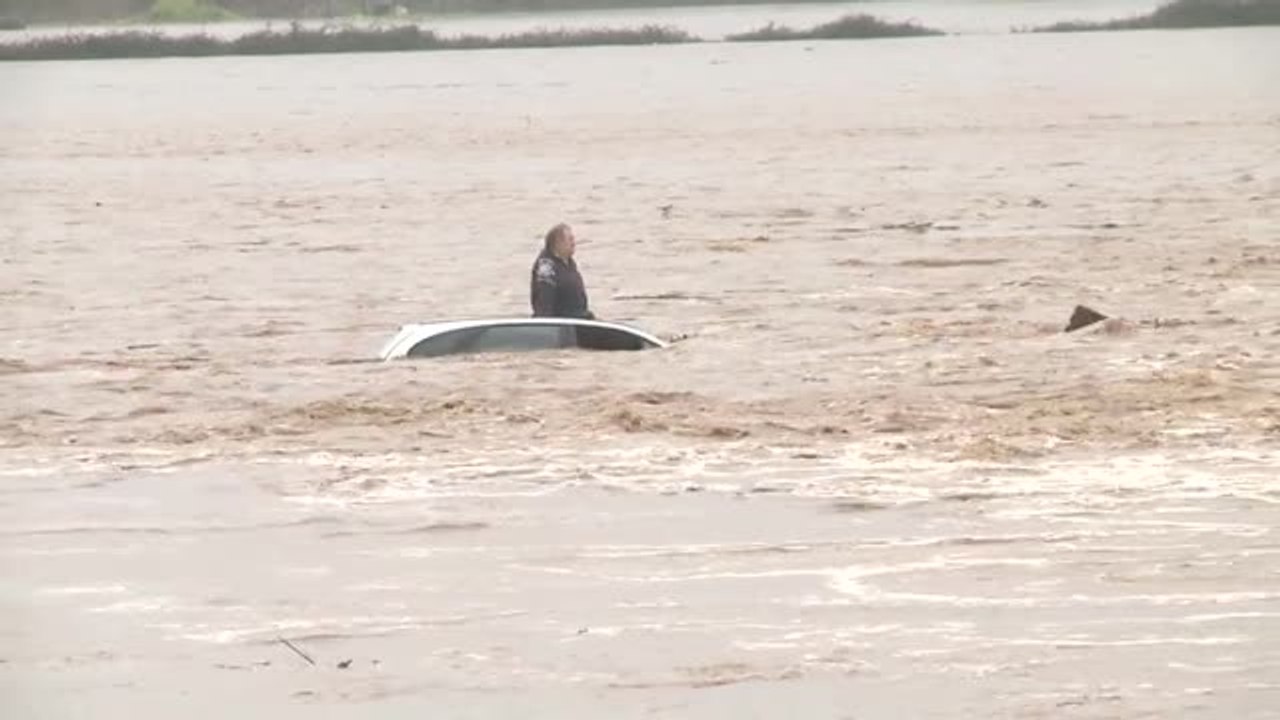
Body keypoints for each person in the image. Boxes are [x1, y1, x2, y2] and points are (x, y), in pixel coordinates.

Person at [530, 222, 594, 319]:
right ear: (558, 243)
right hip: (560, 326)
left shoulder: (568, 262)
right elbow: (544, 302)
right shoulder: (546, 268)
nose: (574, 243)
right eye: (570, 240)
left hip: (576, 321)